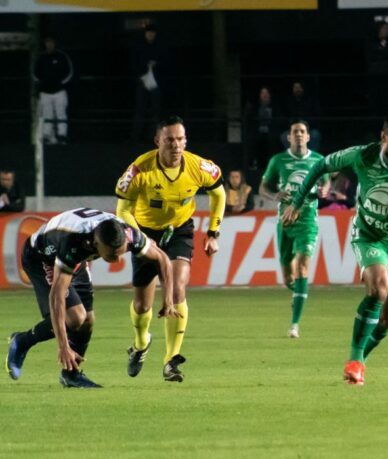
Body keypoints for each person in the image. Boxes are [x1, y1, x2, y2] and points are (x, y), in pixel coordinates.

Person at [281, 111, 388, 385]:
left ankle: (359, 361)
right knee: (378, 287)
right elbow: (319, 166)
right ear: (384, 137)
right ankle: (355, 358)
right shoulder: (362, 155)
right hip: (368, 235)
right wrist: (298, 202)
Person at [5, 208, 175, 388]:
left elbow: (162, 259)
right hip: (41, 257)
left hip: (75, 261)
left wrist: (168, 300)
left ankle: (71, 375)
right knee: (75, 317)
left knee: (88, 320)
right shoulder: (73, 241)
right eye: (111, 255)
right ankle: (21, 341)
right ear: (95, 242)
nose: (116, 260)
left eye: (120, 253)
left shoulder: (130, 235)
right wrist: (63, 347)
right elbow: (57, 296)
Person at [115, 115, 226, 382]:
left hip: (179, 230)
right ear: (158, 141)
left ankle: (170, 361)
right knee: (143, 305)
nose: (176, 146)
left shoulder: (199, 166)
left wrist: (213, 233)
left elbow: (219, 194)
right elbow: (122, 211)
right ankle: (141, 344)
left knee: (177, 287)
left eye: (180, 139)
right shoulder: (139, 170)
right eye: (169, 140)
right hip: (145, 233)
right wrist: (142, 239)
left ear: (185, 140)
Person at [260, 120, 329, 338]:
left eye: (302, 132)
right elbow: (263, 187)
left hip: (307, 221)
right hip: (285, 222)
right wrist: (274, 195)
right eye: (294, 132)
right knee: (289, 277)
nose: (299, 135)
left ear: (308, 136)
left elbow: (326, 183)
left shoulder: (318, 160)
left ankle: (294, 325)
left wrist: (323, 190)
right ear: (289, 137)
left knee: (302, 268)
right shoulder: (278, 161)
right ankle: (299, 293)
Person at [131, 24, 170, 142]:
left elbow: (165, 63)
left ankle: (153, 137)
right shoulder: (139, 46)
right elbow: (134, 63)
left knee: (156, 110)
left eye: (152, 32)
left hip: (156, 81)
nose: (150, 35)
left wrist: (155, 65)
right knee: (140, 109)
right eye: (148, 32)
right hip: (143, 79)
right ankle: (136, 137)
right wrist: (143, 70)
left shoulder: (160, 46)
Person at [33, 37, 73, 145]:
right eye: (47, 42)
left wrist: (60, 84)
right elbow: (35, 74)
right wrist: (41, 84)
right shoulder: (41, 58)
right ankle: (46, 136)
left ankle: (62, 135)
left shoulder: (62, 56)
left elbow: (69, 72)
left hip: (59, 92)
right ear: (45, 44)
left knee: (61, 114)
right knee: (47, 115)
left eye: (51, 42)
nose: (49, 44)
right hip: (45, 92)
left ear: (55, 43)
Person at [366, 21, 388, 116]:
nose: (387, 31)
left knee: (387, 103)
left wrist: (383, 52)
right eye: (384, 29)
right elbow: (371, 57)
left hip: (387, 79)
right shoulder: (370, 43)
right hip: (375, 79)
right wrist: (383, 53)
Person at [280, 81, 322, 151]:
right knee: (284, 136)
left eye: (299, 87)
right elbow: (285, 118)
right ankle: (293, 157)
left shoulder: (310, 100)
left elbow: (316, 116)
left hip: (309, 129)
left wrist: (306, 124)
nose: (297, 89)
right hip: (293, 129)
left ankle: (310, 158)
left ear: (303, 89)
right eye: (296, 87)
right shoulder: (289, 101)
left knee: (315, 134)